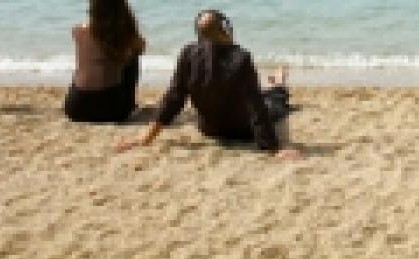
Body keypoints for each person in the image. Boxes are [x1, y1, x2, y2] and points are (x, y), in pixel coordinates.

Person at [115, 9, 299, 158]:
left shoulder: (188, 53)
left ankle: (275, 84)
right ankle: (279, 84)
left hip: (209, 129)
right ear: (225, 29)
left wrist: (145, 138)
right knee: (273, 102)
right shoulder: (241, 57)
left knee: (261, 96)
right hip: (242, 130)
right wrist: (274, 149)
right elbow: (255, 106)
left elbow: (174, 99)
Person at [64, 0, 146, 123]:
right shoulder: (123, 34)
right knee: (133, 58)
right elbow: (141, 48)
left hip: (75, 108)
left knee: (86, 62)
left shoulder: (78, 30)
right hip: (112, 110)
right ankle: (130, 102)